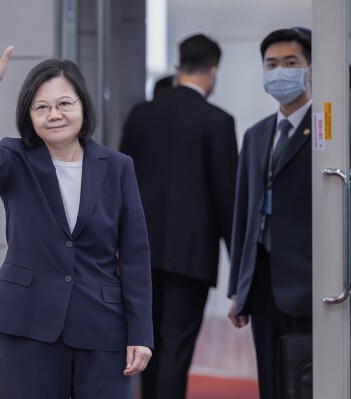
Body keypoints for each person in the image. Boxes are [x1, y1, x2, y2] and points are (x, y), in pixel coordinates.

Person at [0, 27, 153, 398]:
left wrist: (141, 332)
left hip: (102, 325)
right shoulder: (16, 160)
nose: (54, 115)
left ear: (83, 106)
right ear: (29, 115)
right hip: (29, 322)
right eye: (42, 107)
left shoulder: (117, 166)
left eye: (65, 103)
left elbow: (135, 255)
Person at [120, 34, 238, 399]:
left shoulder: (142, 114)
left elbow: (120, 184)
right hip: (191, 259)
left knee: (145, 344)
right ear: (214, 71)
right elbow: (227, 201)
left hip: (140, 255)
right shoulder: (217, 121)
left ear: (177, 68)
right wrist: (241, 272)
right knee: (176, 349)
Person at [227, 28, 312, 399]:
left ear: (310, 69)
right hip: (262, 278)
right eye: (272, 64)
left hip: (310, 281)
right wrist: (238, 290)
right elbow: (243, 215)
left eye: (291, 63)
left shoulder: (331, 132)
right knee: (271, 379)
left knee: (309, 378)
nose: (280, 71)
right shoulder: (257, 135)